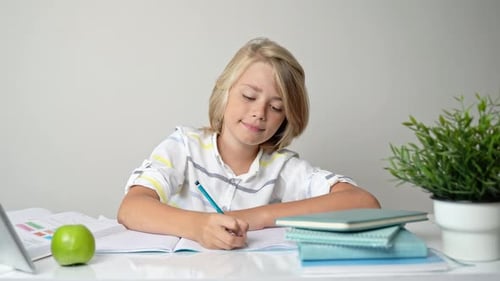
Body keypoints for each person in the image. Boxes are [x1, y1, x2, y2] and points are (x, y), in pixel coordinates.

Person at [117, 37, 380, 250]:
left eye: (276, 107)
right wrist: (198, 226)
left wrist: (259, 216)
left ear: (287, 118)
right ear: (225, 91)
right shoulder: (184, 147)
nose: (260, 112)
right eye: (248, 96)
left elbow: (364, 202)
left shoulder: (283, 169)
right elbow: (131, 209)